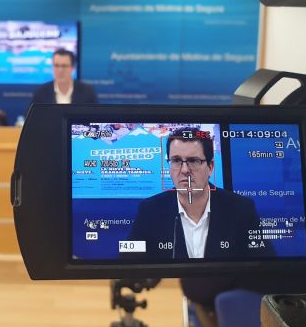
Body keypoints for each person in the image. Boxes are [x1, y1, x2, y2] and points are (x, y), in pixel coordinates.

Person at [127, 126, 273, 260]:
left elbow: (263, 266)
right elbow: (130, 264)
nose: (184, 170)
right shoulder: (149, 210)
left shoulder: (241, 209)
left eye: (193, 161)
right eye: (176, 160)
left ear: (210, 167)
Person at [31, 48, 98, 104]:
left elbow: (94, 115)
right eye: (56, 66)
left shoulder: (87, 92)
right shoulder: (41, 92)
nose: (60, 70)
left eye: (64, 66)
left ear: (73, 68)